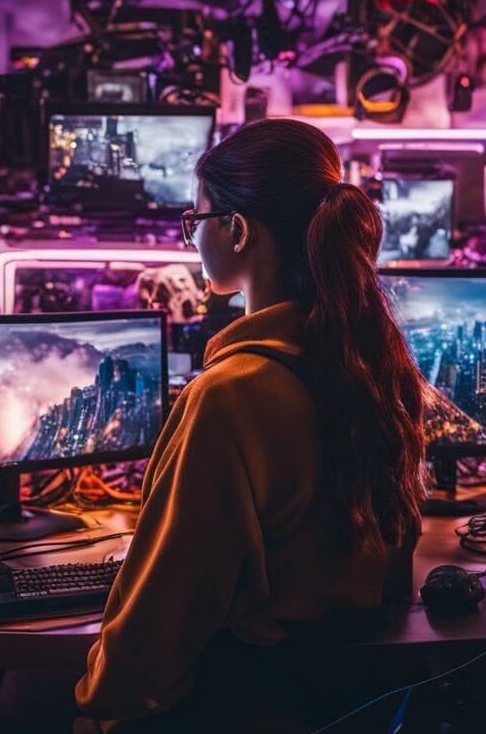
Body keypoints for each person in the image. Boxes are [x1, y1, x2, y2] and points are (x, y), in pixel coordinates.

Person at [75, 118, 428, 729]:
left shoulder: (228, 397)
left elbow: (154, 636)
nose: (191, 238)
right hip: (343, 705)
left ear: (237, 231)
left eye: (196, 221)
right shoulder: (381, 369)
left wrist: (92, 703)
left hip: (244, 702)